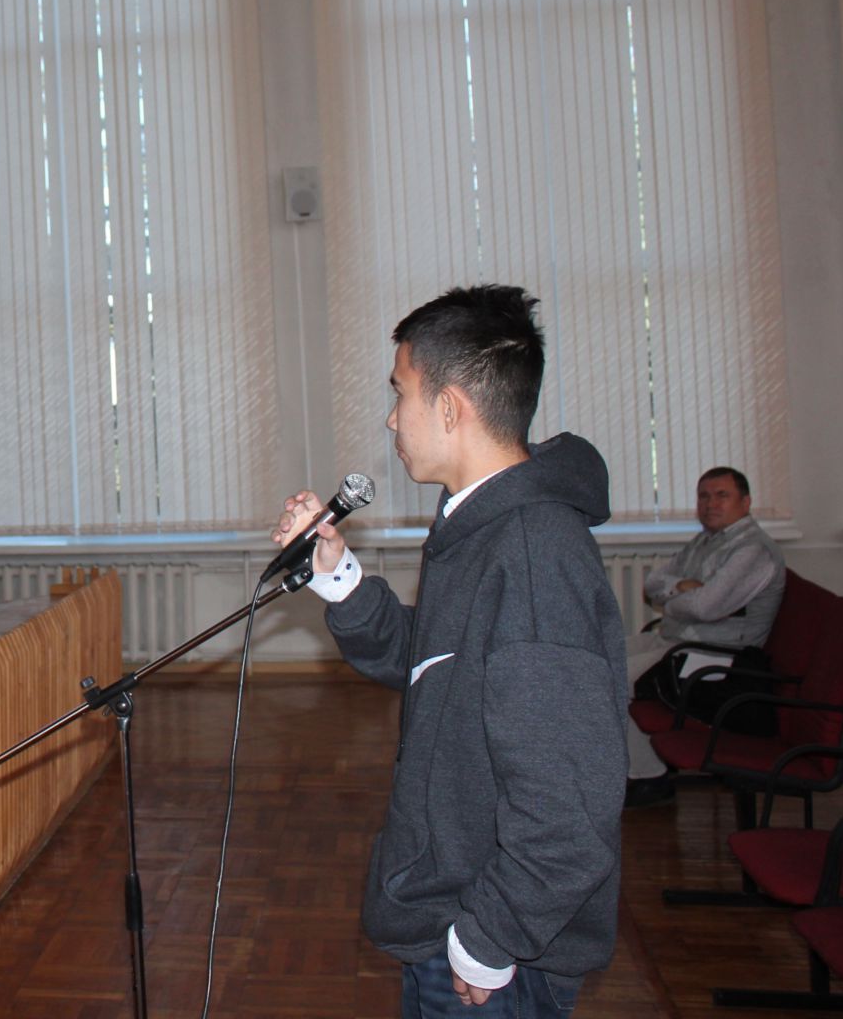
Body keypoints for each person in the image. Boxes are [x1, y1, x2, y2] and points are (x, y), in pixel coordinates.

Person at [275, 285, 625, 1016]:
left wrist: (490, 937)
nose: (390, 417)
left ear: (449, 407)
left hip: (496, 949)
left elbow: (569, 806)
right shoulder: (480, 529)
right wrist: (340, 579)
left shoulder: (532, 553)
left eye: (399, 391)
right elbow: (437, 667)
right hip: (461, 912)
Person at [623, 466, 785, 806]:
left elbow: (705, 607)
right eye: (704, 496)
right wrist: (684, 587)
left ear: (746, 502)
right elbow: (652, 584)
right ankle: (632, 767)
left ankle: (650, 778)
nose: (710, 504)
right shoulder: (706, 540)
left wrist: (675, 599)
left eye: (722, 495)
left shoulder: (752, 550)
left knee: (614, 680)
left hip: (717, 654)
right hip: (676, 638)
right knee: (599, 661)